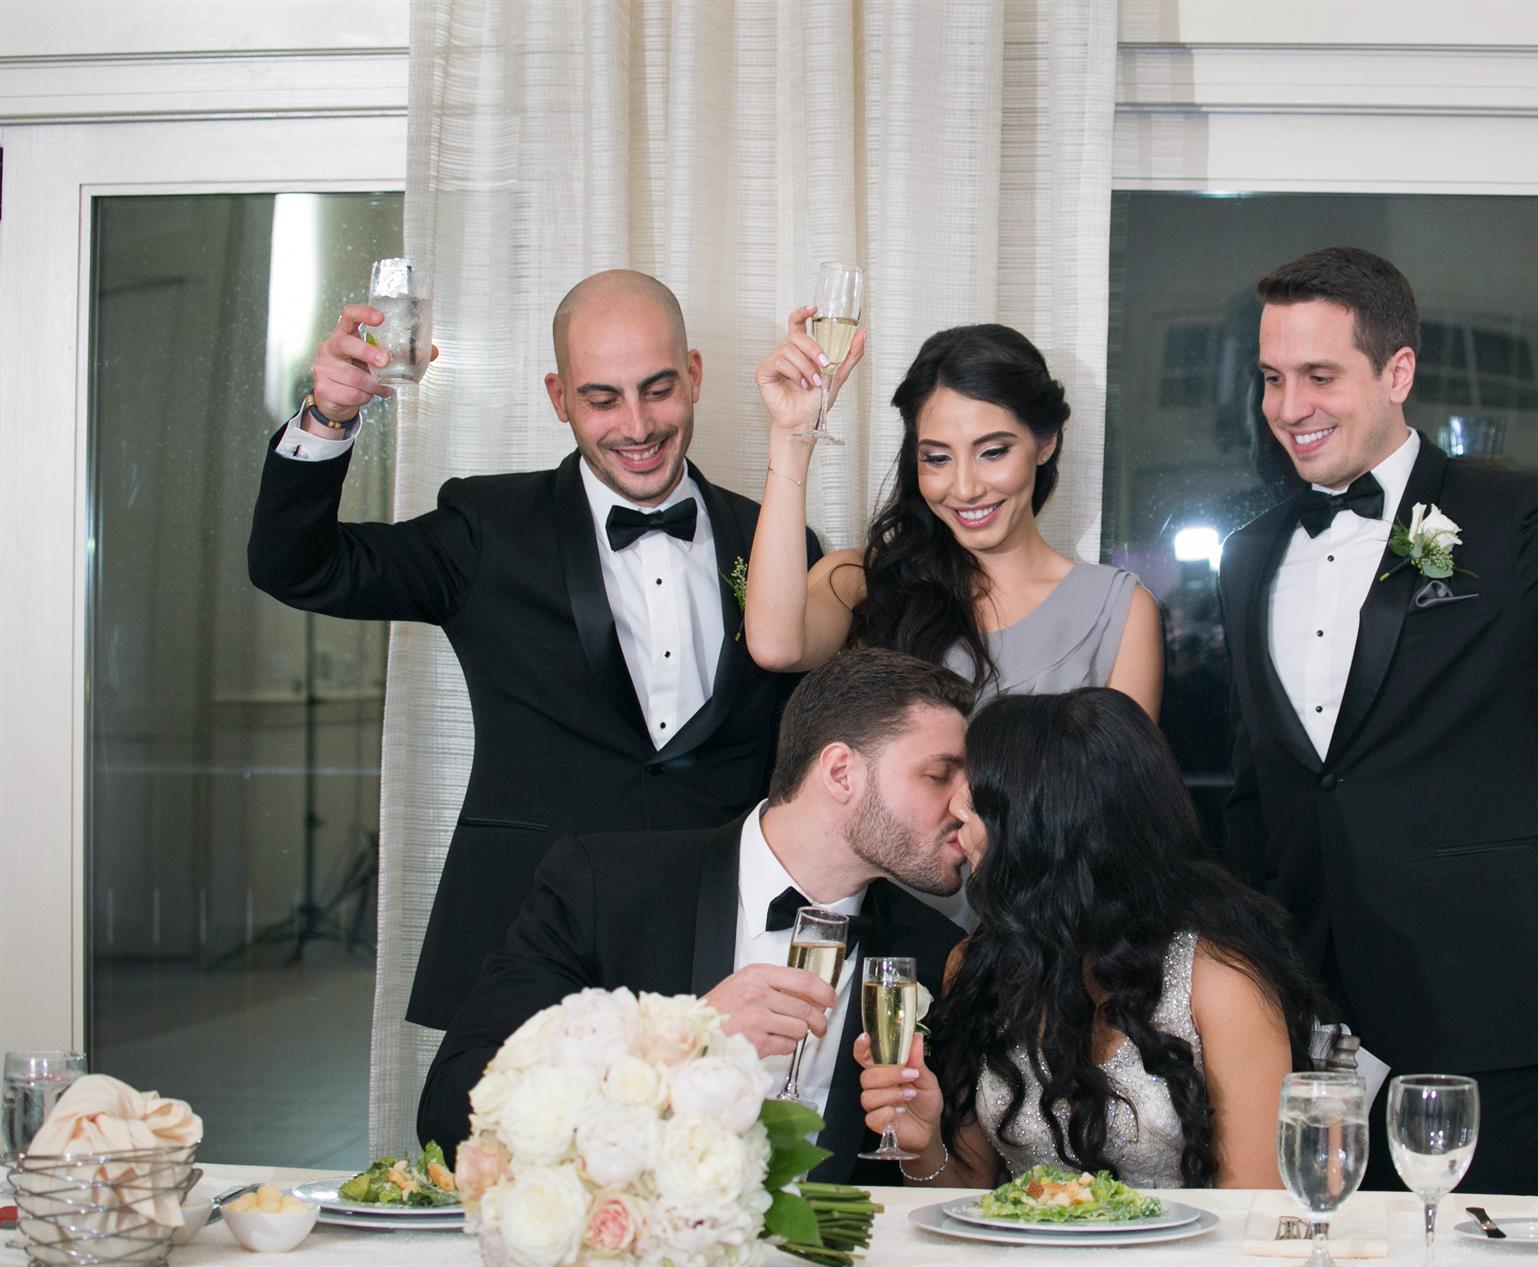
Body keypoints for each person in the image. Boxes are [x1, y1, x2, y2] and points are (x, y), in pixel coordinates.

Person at [1220, 246, 1538, 1195]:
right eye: (1272, 377)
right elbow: (1265, 785)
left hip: (1472, 1001)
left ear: (1398, 372)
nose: (1289, 406)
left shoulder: (1511, 516)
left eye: (1320, 376)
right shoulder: (1248, 554)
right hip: (1297, 1011)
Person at [248, 270, 820, 1031]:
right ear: (559, 398)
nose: (638, 426)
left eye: (657, 390)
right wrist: (328, 417)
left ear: (694, 375)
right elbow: (298, 567)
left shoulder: (777, 543)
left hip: (723, 946)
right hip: (532, 944)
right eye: (602, 399)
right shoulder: (488, 527)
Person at [416, 648, 972, 1182]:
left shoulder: (937, 954)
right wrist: (677, 1044)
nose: (966, 807)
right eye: (939, 775)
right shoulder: (603, 889)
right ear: (841, 772)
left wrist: (922, 1152)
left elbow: (947, 1191)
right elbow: (451, 1107)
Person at [855, 688, 1322, 1188]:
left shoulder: (1220, 982)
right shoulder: (977, 966)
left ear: (1047, 827)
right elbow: (965, 1197)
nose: (955, 809)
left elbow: (1255, 1209)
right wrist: (923, 1146)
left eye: (983, 796)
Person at [743, 314, 1164, 718]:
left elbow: (1120, 768)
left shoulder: (1118, 610)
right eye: (937, 458)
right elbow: (776, 648)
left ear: (1046, 443)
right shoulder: (864, 581)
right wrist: (793, 435)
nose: (965, 489)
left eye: (993, 452)